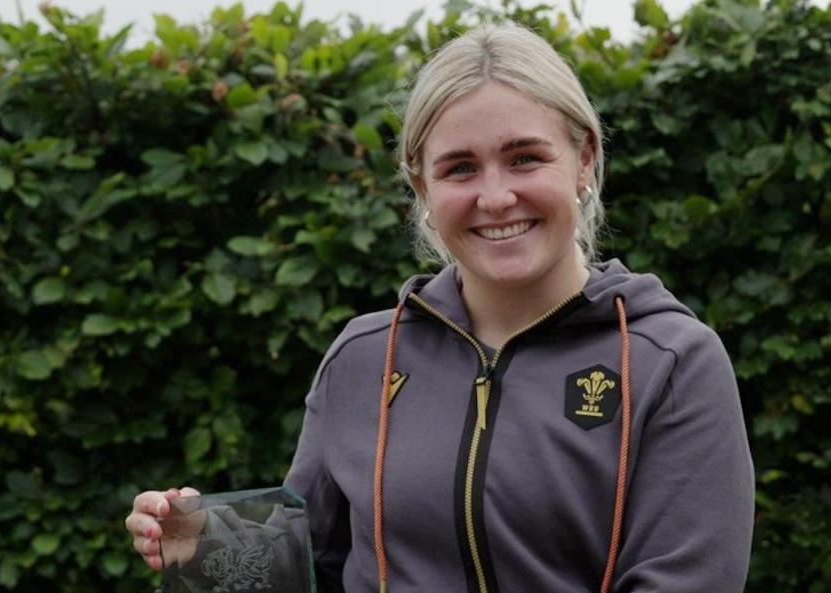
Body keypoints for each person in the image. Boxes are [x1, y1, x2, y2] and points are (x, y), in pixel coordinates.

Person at [126, 21, 754, 593]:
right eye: (459, 169)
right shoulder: (363, 357)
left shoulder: (671, 362)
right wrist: (204, 548)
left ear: (584, 159)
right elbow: (304, 568)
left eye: (525, 158)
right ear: (423, 186)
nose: (496, 196)